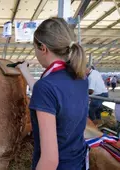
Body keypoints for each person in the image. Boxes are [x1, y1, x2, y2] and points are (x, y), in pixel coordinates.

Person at [17, 17, 88, 170]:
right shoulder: (80, 78)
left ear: (43, 48)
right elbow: (51, 95)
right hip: (78, 163)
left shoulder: (46, 87)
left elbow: (50, 161)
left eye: (34, 47)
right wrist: (24, 71)